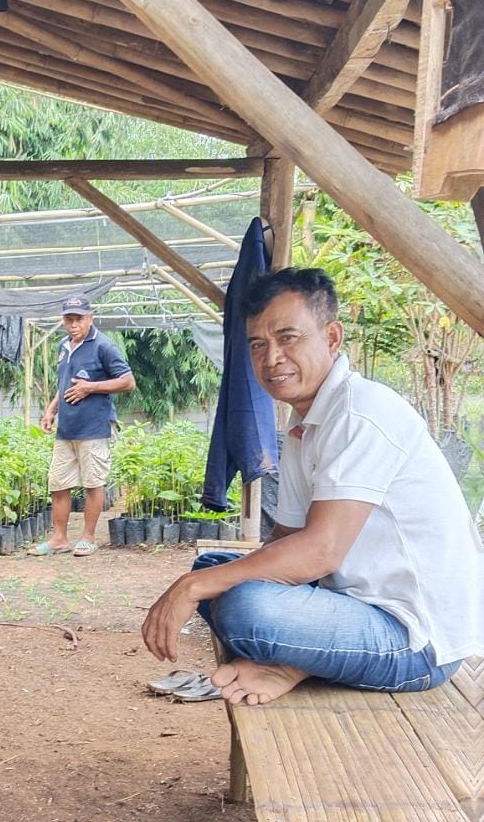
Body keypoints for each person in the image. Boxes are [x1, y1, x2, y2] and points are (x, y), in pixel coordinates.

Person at [142, 267, 483, 705]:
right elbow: (286, 537)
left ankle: (292, 660)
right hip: (352, 603)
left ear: (332, 337)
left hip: (417, 640)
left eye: (288, 338)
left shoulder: (361, 413)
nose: (272, 358)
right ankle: (295, 658)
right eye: (258, 345)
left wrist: (193, 588)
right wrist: (208, 580)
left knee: (246, 606)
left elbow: (321, 552)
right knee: (213, 567)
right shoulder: (307, 422)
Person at [33, 293, 135, 558]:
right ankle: (59, 539)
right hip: (66, 428)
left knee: (93, 483)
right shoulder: (63, 346)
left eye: (78, 319)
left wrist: (90, 387)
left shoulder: (104, 346)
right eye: (69, 319)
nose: (73, 324)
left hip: (94, 427)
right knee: (58, 483)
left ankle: (88, 538)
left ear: (91, 318)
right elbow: (65, 384)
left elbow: (128, 381)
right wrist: (51, 410)